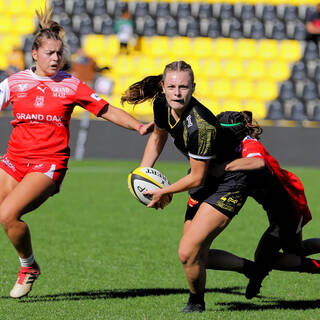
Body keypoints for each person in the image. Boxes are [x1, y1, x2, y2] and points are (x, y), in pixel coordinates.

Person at [0, 5, 153, 299]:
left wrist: (137, 126)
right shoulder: (15, 82)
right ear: (35, 54)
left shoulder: (71, 85)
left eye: (60, 53)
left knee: (8, 214)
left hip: (47, 165)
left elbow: (105, 109)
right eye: (50, 53)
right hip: (13, 161)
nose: (57, 58)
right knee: (6, 217)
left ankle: (28, 267)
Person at [121, 61, 251, 313]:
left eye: (183, 87)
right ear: (163, 86)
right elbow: (158, 137)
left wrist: (163, 191)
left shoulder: (201, 126)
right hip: (204, 178)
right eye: (171, 86)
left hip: (229, 182)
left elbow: (197, 179)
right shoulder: (161, 103)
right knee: (195, 254)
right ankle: (252, 269)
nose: (177, 93)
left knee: (187, 251)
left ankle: (196, 303)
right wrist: (143, 176)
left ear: (193, 88)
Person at [217, 110, 320, 299]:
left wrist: (225, 168)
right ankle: (257, 276)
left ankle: (257, 277)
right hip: (285, 202)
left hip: (288, 206)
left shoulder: (249, 143)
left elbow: (258, 163)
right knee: (295, 250)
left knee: (265, 257)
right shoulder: (236, 146)